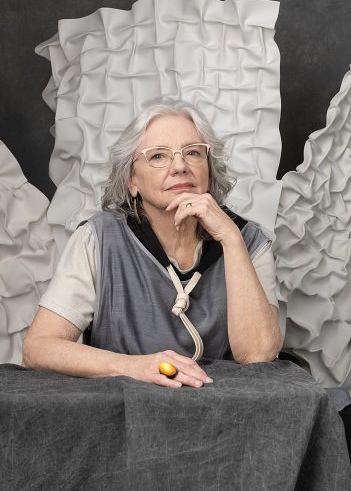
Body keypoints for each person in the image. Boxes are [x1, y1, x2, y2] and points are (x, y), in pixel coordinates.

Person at [22, 99, 283, 386]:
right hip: (120, 414)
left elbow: (257, 354)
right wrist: (135, 367)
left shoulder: (248, 239)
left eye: (193, 153)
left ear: (208, 169)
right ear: (131, 180)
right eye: (158, 156)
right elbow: (38, 349)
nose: (180, 166)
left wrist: (231, 239)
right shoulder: (98, 239)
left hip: (222, 415)